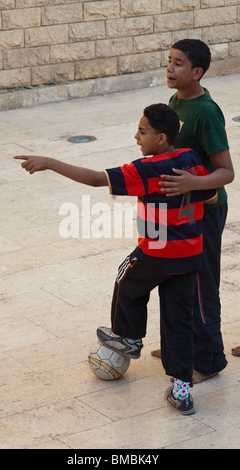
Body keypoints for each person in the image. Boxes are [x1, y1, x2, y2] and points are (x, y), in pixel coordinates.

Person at [15, 103, 217, 415]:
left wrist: (50, 162)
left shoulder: (146, 169)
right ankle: (181, 390)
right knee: (179, 322)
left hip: (158, 252)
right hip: (190, 254)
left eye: (143, 131)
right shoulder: (190, 158)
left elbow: (96, 179)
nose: (136, 136)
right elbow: (211, 193)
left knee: (126, 277)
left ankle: (128, 337)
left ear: (161, 139)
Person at [150, 39, 235, 384]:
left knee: (201, 284)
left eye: (179, 64)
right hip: (181, 212)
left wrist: (189, 185)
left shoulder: (205, 112)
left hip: (206, 210)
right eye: (169, 61)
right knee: (176, 278)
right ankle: (179, 346)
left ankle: (209, 360)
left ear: (197, 72)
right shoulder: (177, 101)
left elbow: (226, 171)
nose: (170, 68)